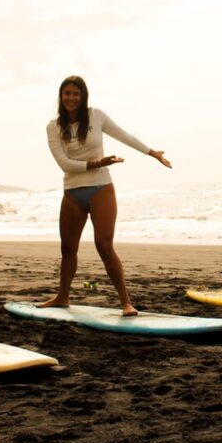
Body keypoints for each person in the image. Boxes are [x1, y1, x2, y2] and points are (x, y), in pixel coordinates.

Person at [40, 75, 171, 316]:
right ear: (61, 96)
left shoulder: (96, 116)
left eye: (76, 93)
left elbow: (123, 135)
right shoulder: (54, 126)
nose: (71, 98)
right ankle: (62, 296)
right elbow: (64, 163)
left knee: (104, 245)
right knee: (67, 248)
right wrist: (98, 162)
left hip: (100, 188)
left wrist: (152, 152)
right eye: (67, 93)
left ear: (83, 96)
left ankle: (126, 302)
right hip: (72, 193)